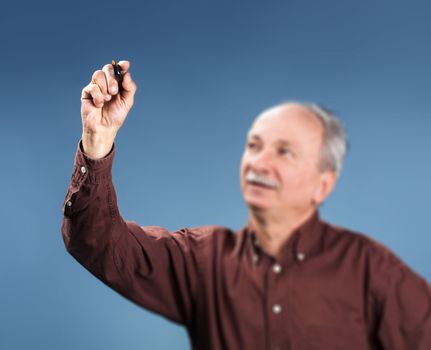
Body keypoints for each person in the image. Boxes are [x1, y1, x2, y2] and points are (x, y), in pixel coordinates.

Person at [62, 60, 431, 350]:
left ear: (323, 183)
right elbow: (98, 243)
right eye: (254, 146)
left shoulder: (372, 273)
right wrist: (98, 140)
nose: (259, 162)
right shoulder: (204, 261)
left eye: (284, 152)